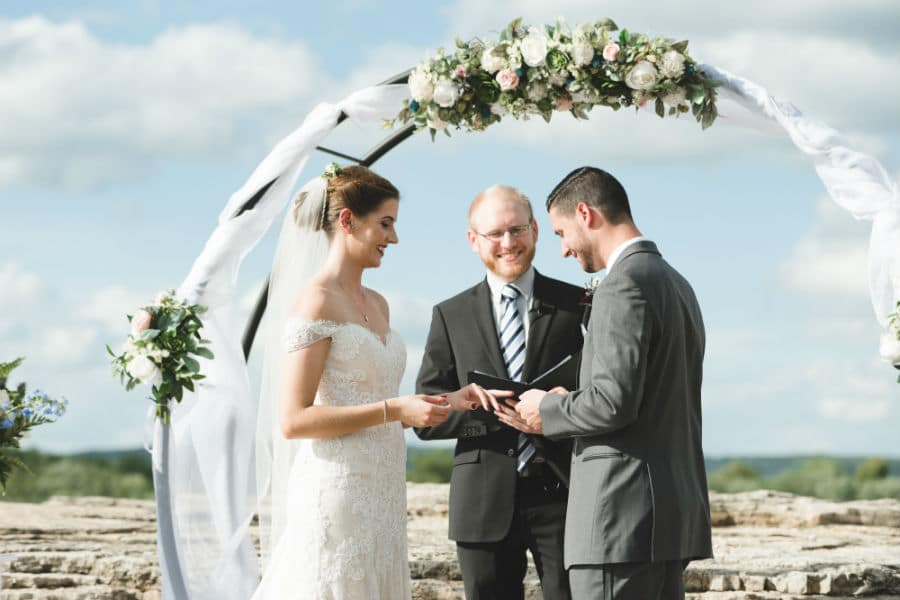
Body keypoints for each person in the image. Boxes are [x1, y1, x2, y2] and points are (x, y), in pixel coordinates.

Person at [252, 164, 499, 599]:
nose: (394, 238)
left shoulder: (380, 304)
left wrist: (451, 400)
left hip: (384, 492)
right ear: (348, 220)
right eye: (385, 224)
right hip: (337, 490)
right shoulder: (315, 301)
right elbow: (293, 419)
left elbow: (375, 394)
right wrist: (394, 411)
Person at [506, 167, 713, 599]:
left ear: (585, 213)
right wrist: (575, 398)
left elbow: (613, 403)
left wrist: (545, 409)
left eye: (562, 232)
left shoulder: (623, 285)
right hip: (666, 522)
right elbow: (646, 396)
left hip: (618, 520)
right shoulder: (676, 283)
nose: (562, 250)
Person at [415, 185, 584, 600]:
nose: (508, 243)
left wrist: (560, 405)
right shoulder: (449, 315)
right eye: (495, 234)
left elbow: (605, 389)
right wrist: (485, 411)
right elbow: (425, 416)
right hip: (482, 502)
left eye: (517, 230)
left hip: (565, 494)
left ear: (536, 231)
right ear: (474, 240)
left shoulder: (579, 303)